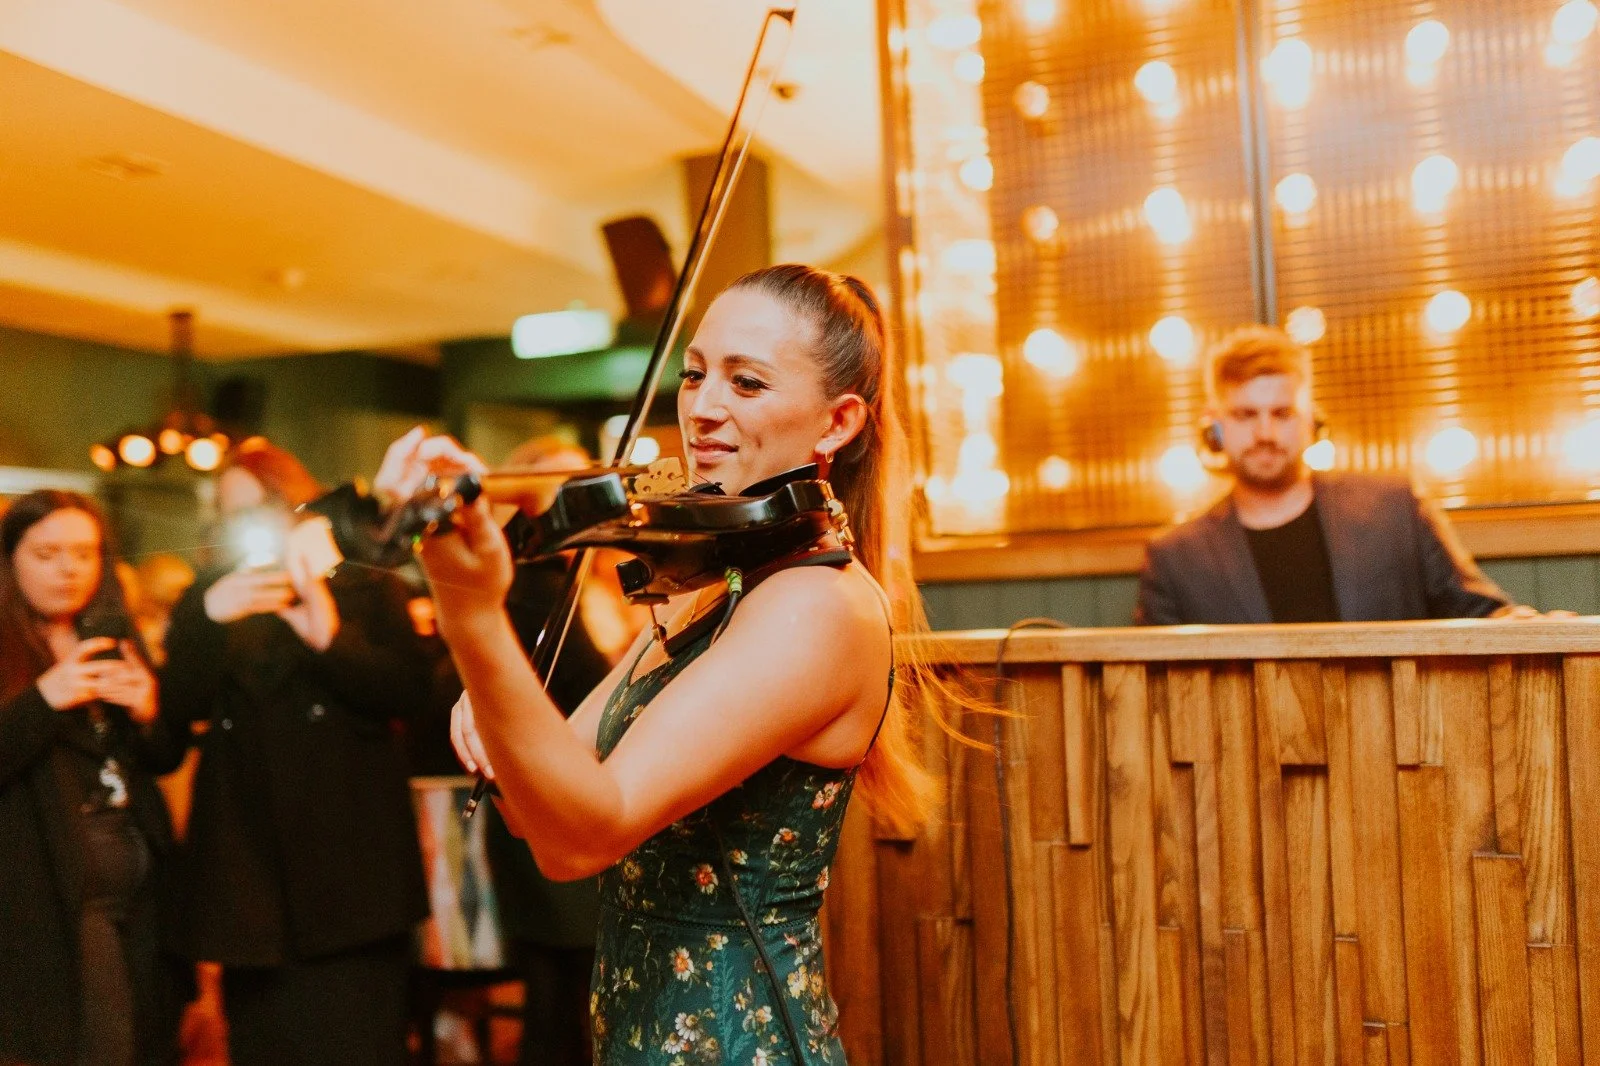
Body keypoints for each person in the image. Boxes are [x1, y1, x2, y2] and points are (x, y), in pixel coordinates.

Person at [374, 264, 930, 1063]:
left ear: (837, 422)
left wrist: (473, 618)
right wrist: (499, 700)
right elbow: (544, 813)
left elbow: (582, 841)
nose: (702, 408)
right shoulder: (707, 589)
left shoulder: (817, 607)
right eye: (695, 374)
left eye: (746, 382)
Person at [158, 440, 429, 1065]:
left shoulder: (361, 578)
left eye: (260, 506)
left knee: (361, 1043)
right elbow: (174, 714)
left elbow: (412, 693)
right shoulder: (210, 595)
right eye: (230, 513)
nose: (245, 524)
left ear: (296, 504)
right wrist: (208, 618)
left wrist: (330, 636)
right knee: (266, 1044)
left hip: (353, 873)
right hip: (252, 881)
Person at [1135, 325, 1517, 625]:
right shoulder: (1175, 559)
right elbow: (1152, 685)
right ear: (1214, 427)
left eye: (1282, 413)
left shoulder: (1395, 509)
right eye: (1245, 415)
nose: (1265, 433)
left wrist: (1524, 627)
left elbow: (1481, 614)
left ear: (1312, 421)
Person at [0, 490, 182, 1065]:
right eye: (47, 554)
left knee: (140, 1041)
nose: (68, 569)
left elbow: (162, 759)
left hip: (138, 890)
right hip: (48, 899)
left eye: (84, 553)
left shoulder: (108, 632)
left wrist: (150, 712)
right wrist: (44, 700)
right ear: (9, 559)